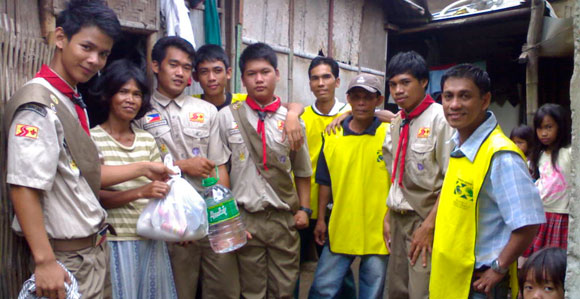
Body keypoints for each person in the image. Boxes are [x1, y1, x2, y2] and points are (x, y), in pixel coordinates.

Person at [4, 1, 171, 298]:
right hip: (66, 258)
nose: (94, 60)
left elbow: (80, 177)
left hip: (90, 253)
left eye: (103, 53)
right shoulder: (39, 105)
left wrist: (145, 168)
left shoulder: (68, 100)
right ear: (60, 38)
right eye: (87, 47)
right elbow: (24, 186)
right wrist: (45, 261)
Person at [430, 64, 545, 299]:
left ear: (484, 101)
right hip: (452, 277)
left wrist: (498, 268)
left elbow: (528, 223)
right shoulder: (460, 145)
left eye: (465, 96)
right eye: (448, 96)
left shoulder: (501, 155)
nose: (454, 105)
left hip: (479, 285)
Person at [133, 36, 235, 299]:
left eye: (187, 67)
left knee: (224, 290)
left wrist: (224, 220)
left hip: (210, 218)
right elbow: (135, 168)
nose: (180, 73)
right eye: (173, 65)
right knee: (179, 292)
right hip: (168, 225)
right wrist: (182, 165)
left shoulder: (206, 110)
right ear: (155, 65)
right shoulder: (138, 111)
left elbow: (219, 167)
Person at [217, 42, 312, 298]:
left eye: (265, 71)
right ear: (242, 79)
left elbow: (303, 171)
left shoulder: (292, 122)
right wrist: (229, 218)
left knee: (285, 288)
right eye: (251, 74)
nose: (259, 79)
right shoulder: (227, 117)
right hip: (246, 217)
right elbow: (220, 170)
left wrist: (304, 209)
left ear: (277, 74)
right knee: (252, 290)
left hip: (283, 219)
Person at [90, 59, 177, 298]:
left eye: (137, 94)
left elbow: (160, 190)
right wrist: (140, 192)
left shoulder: (147, 140)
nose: (130, 99)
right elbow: (97, 196)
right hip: (116, 240)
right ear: (108, 95)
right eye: (123, 91)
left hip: (151, 237)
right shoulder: (93, 138)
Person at [308, 74, 390, 299]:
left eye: (368, 97)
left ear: (378, 100)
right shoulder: (332, 135)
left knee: (371, 292)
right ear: (348, 98)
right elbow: (325, 181)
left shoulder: (390, 134)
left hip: (378, 229)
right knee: (323, 288)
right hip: (342, 224)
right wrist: (322, 219)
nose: (362, 102)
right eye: (356, 97)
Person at [381, 51, 454, 299]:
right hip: (399, 218)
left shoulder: (441, 119)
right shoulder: (397, 121)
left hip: (424, 219)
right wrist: (388, 216)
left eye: (405, 82)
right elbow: (396, 177)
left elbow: (451, 179)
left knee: (421, 291)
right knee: (396, 290)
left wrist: (429, 225)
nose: (398, 90)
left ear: (424, 82)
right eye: (393, 84)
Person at [299, 56, 356, 298]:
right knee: (295, 266)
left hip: (339, 204)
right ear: (310, 83)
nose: (321, 83)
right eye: (315, 78)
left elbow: (389, 117)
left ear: (337, 81)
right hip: (305, 204)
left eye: (326, 77)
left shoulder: (355, 112)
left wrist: (347, 115)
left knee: (338, 269)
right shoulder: (301, 117)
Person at [192, 44, 304, 150]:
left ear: (228, 73)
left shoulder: (242, 102)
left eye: (217, 71)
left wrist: (292, 115)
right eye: (204, 72)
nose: (211, 78)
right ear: (196, 76)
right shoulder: (191, 105)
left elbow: (285, 106)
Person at [524, 104, 572, 257]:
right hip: (542, 214)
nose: (543, 133)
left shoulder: (570, 152)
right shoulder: (539, 155)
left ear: (561, 126)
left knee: (557, 262)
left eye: (549, 127)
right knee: (539, 259)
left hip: (562, 214)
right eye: (539, 128)